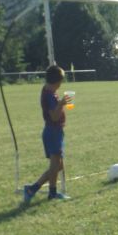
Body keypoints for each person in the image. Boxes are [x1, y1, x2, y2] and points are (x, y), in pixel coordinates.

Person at [23, 65, 72, 203]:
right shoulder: (50, 95)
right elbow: (54, 117)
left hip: (54, 132)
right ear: (57, 82)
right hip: (53, 132)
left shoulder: (48, 90)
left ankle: (41, 190)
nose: (61, 84)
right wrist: (61, 104)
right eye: (61, 81)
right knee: (55, 165)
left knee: (58, 166)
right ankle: (40, 190)